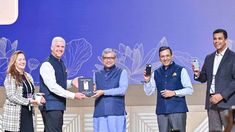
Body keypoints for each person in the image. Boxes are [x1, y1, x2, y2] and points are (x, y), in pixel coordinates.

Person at [39, 37, 87, 132]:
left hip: (58, 106)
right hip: (50, 107)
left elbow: (60, 83)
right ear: (51, 47)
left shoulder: (61, 63)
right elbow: (53, 87)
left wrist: (72, 82)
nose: (60, 49)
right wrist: (73, 95)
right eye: (57, 46)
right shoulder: (47, 64)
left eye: (62, 47)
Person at [193, 29, 235, 131]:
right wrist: (198, 75)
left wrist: (221, 95)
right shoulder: (209, 58)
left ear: (226, 40)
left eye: (220, 38)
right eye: (214, 39)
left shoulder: (233, 57)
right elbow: (204, 78)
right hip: (211, 103)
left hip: (227, 103)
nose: (217, 41)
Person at [144, 46, 193, 132]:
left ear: (172, 56)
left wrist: (174, 93)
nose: (165, 58)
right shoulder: (156, 72)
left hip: (177, 111)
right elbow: (149, 92)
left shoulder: (181, 70)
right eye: (162, 56)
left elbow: (189, 90)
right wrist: (147, 81)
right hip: (161, 112)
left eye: (167, 56)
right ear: (159, 58)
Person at [2, 50, 45, 132]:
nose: (23, 61)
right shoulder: (10, 77)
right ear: (14, 62)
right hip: (14, 117)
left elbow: (30, 94)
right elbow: (11, 96)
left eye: (24, 59)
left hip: (28, 114)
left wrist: (37, 97)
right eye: (20, 60)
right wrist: (29, 101)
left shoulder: (28, 76)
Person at [92, 48, 128, 132]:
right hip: (99, 112)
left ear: (115, 59)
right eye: (106, 58)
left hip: (116, 112)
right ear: (102, 59)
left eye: (111, 58)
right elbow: (94, 91)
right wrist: (91, 91)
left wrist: (103, 92)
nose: (108, 60)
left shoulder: (122, 72)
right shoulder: (96, 74)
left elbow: (122, 90)